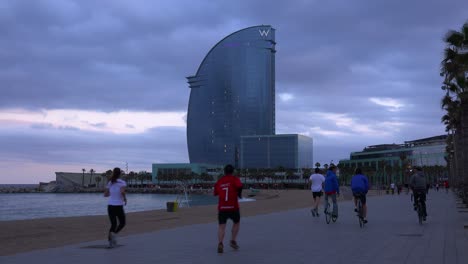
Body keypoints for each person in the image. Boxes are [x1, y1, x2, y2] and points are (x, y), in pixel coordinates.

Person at [214, 164, 243, 254]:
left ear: (224, 172)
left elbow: (215, 193)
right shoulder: (235, 179)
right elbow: (240, 186)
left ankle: (220, 243)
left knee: (221, 226)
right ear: (232, 171)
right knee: (236, 223)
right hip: (233, 207)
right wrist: (239, 194)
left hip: (222, 208)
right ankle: (233, 240)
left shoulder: (220, 181)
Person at [104, 167, 127, 248]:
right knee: (122, 223)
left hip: (110, 206)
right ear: (120, 173)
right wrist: (125, 198)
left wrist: (112, 193)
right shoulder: (122, 182)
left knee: (113, 224)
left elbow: (105, 195)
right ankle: (113, 235)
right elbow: (122, 192)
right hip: (118, 206)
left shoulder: (110, 182)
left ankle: (110, 240)